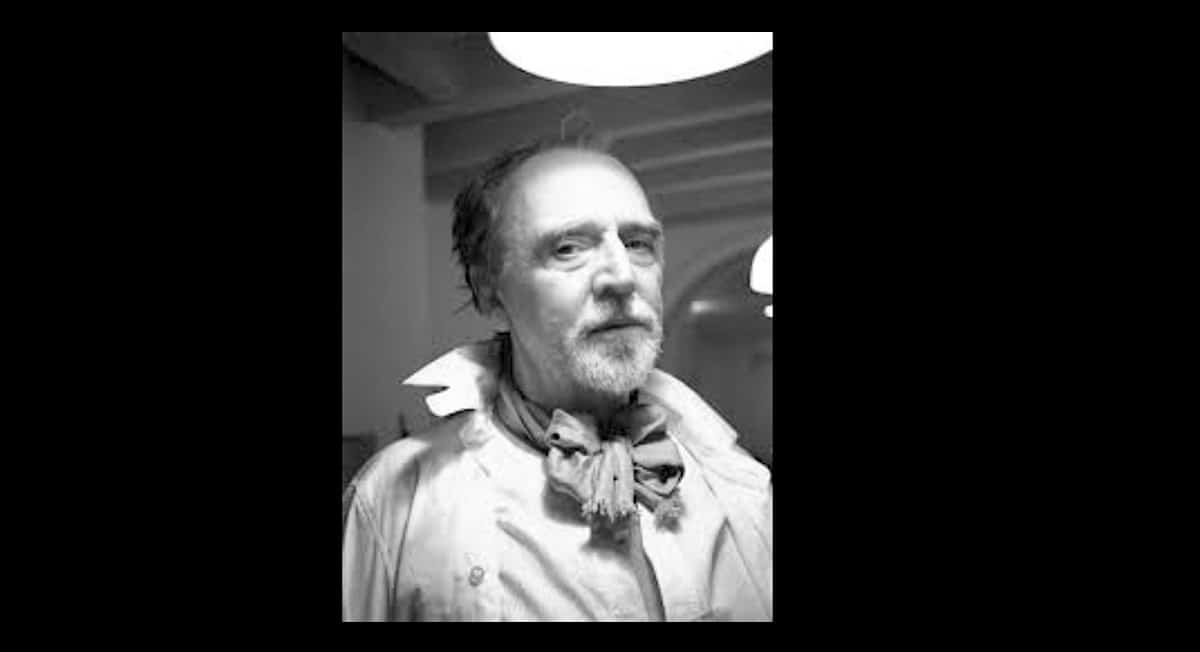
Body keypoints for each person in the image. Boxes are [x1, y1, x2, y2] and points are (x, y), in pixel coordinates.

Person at [341, 139, 772, 621]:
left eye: (638, 244)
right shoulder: (395, 501)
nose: (622, 277)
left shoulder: (740, 484)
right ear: (491, 294)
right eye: (568, 249)